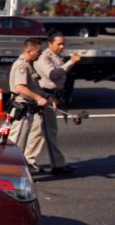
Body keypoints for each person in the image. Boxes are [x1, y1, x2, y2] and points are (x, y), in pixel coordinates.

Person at [34, 31, 80, 175]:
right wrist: (71, 62)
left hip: (52, 96)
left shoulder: (55, 56)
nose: (62, 46)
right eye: (59, 44)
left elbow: (60, 74)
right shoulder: (44, 57)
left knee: (43, 131)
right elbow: (53, 74)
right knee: (42, 132)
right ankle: (53, 164)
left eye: (63, 44)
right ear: (50, 44)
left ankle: (48, 163)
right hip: (45, 96)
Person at [7, 38, 48, 174]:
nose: (40, 54)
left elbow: (32, 85)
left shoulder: (29, 65)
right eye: (38, 51)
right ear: (29, 51)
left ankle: (15, 170)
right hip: (21, 109)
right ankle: (6, 172)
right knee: (14, 143)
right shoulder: (22, 66)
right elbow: (20, 88)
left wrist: (44, 96)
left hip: (27, 108)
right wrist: (38, 98)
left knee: (19, 143)